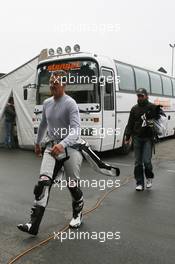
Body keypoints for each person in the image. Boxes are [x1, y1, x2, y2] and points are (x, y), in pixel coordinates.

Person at [17, 70, 84, 235]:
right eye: (51, 82)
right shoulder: (47, 103)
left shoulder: (70, 103)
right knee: (43, 183)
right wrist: (38, 142)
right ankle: (33, 225)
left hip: (70, 148)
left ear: (64, 84)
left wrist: (62, 144)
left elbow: (76, 130)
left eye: (56, 82)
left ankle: (78, 213)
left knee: (72, 185)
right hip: (50, 147)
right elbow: (43, 124)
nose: (52, 85)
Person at [125, 88, 162, 191]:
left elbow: (158, 121)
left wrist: (155, 116)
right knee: (138, 162)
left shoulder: (152, 107)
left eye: (142, 96)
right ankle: (139, 183)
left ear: (146, 96)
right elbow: (130, 124)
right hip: (137, 137)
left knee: (146, 161)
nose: (140, 97)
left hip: (148, 138)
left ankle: (149, 178)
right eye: (138, 96)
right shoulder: (134, 109)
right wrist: (127, 137)